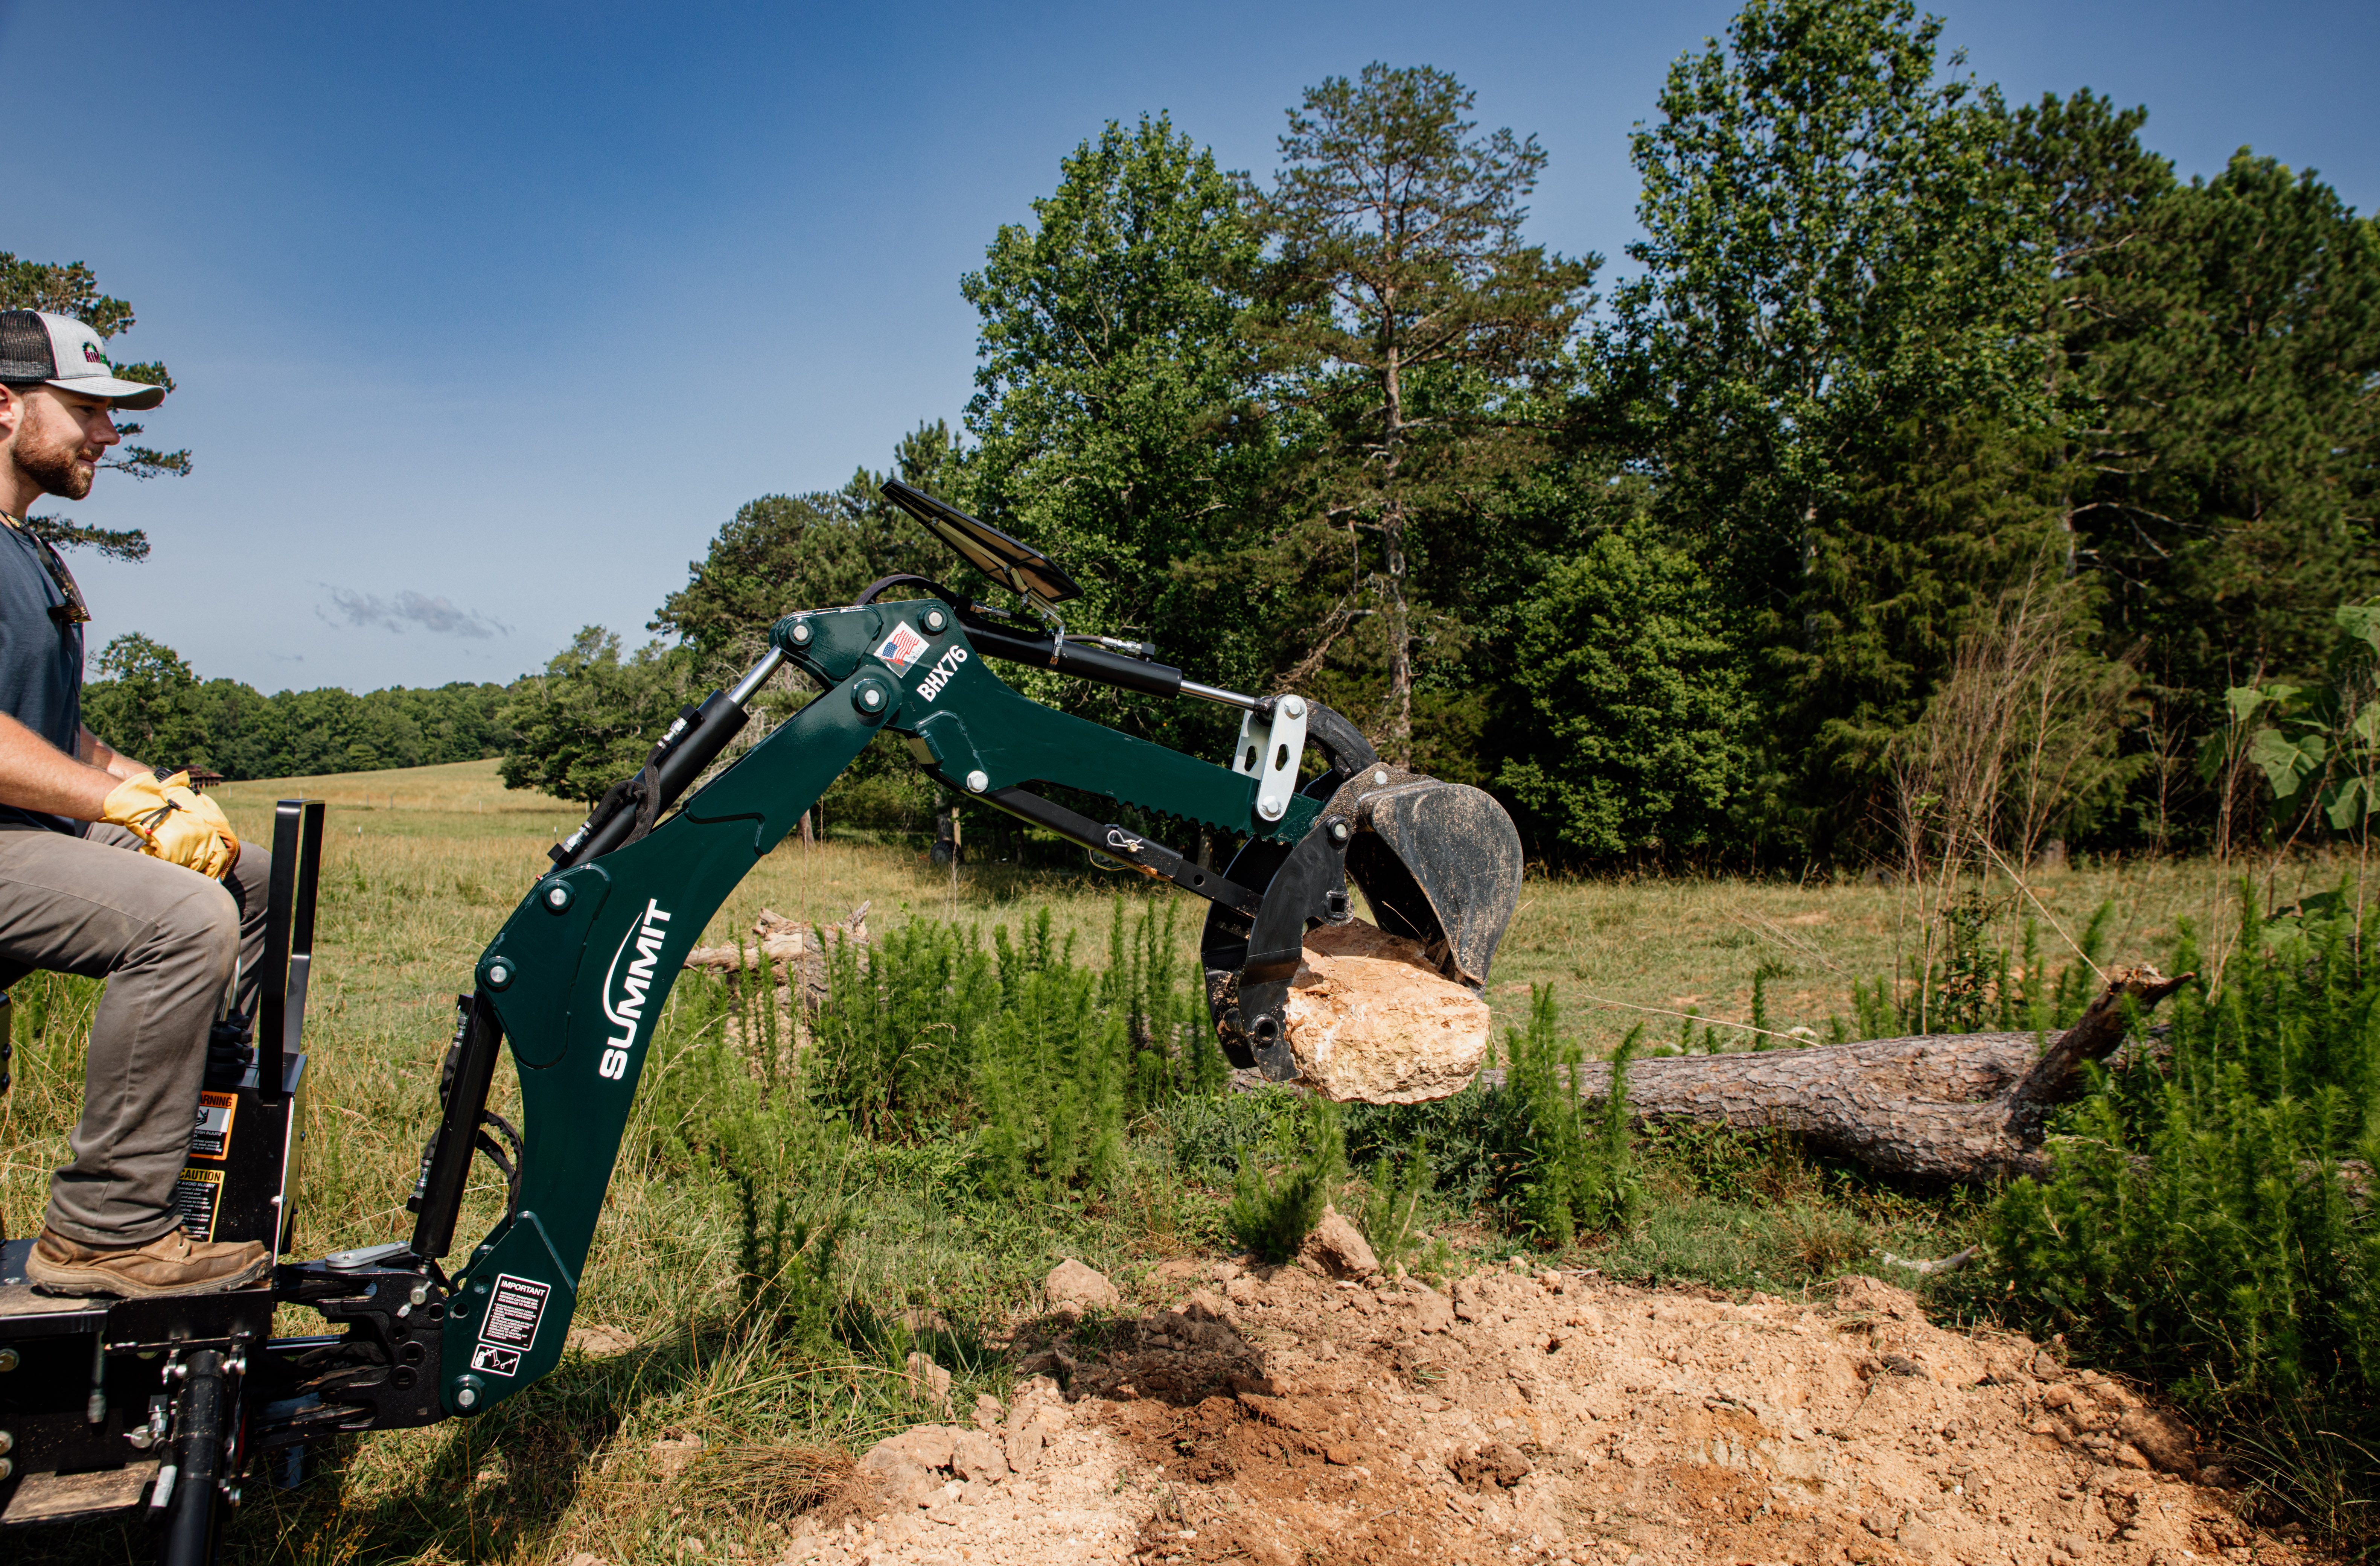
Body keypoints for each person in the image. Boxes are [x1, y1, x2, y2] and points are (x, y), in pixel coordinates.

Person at [0, 308, 274, 1298]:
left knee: (247, 875)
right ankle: (103, 1230)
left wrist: (153, 791)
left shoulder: (32, 556)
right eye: (85, 410)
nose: (107, 436)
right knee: (182, 914)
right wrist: (131, 816)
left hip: (24, 835)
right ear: (4, 405)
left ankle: (207, 1126)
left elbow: (53, 734)